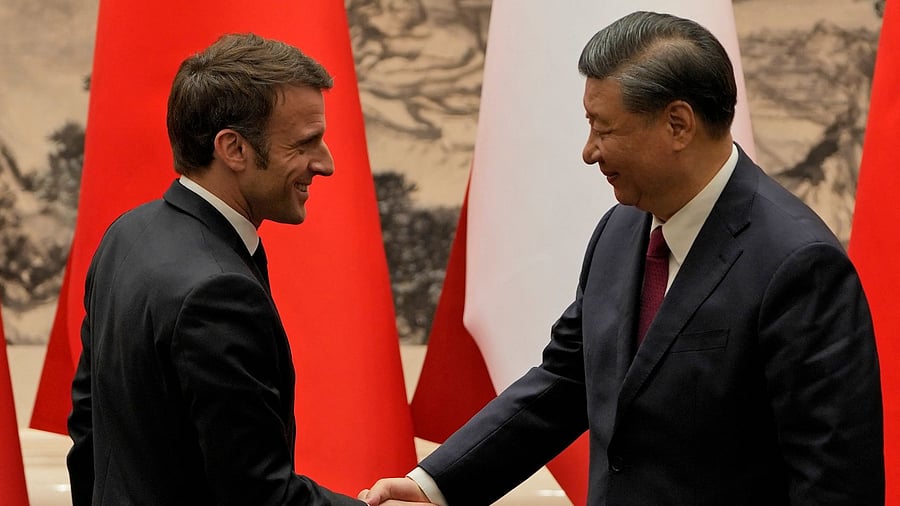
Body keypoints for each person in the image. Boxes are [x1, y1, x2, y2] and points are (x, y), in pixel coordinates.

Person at [360, 11, 884, 506]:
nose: (590, 151)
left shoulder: (799, 264)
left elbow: (835, 482)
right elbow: (565, 384)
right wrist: (436, 484)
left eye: (604, 129)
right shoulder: (621, 228)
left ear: (678, 125)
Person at [67, 33, 365, 505]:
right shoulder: (218, 293)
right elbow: (258, 496)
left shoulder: (126, 234)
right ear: (234, 149)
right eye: (306, 143)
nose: (325, 163)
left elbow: (89, 432)